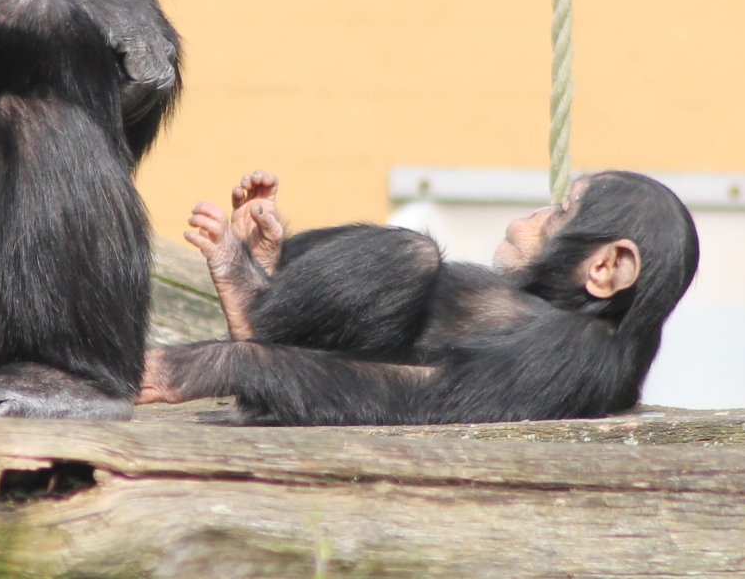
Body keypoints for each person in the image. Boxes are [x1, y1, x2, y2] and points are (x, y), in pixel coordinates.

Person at [137, 169, 699, 424]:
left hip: (375, 381)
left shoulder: (585, 350)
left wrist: (227, 364)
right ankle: (269, 290)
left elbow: (419, 399)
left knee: (411, 254)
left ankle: (262, 309)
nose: (535, 218)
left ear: (606, 267)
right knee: (415, 257)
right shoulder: (569, 329)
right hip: (365, 347)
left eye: (562, 212)